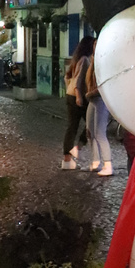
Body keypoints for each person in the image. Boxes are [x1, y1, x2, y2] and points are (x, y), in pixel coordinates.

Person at [61, 35, 95, 170]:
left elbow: (67, 77)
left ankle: (67, 160)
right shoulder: (85, 60)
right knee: (91, 123)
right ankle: (78, 147)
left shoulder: (76, 59)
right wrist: (78, 95)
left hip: (70, 95)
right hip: (78, 96)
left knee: (72, 127)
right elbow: (79, 80)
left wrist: (70, 90)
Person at [85, 54, 113, 177]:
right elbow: (88, 81)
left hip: (101, 99)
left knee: (100, 133)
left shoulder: (105, 64)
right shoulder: (93, 63)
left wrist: (90, 93)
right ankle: (96, 161)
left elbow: (105, 85)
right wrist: (91, 64)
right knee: (90, 131)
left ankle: (108, 164)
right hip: (92, 99)